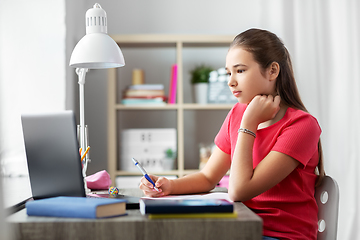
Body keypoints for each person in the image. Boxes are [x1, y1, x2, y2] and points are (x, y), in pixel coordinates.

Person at [139, 28, 324, 240]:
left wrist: (248, 124)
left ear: (273, 71)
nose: (231, 81)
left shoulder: (301, 126)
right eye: (229, 72)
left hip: (281, 235)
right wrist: (169, 186)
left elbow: (239, 191)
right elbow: (208, 177)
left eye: (241, 71)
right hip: (239, 229)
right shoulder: (238, 114)